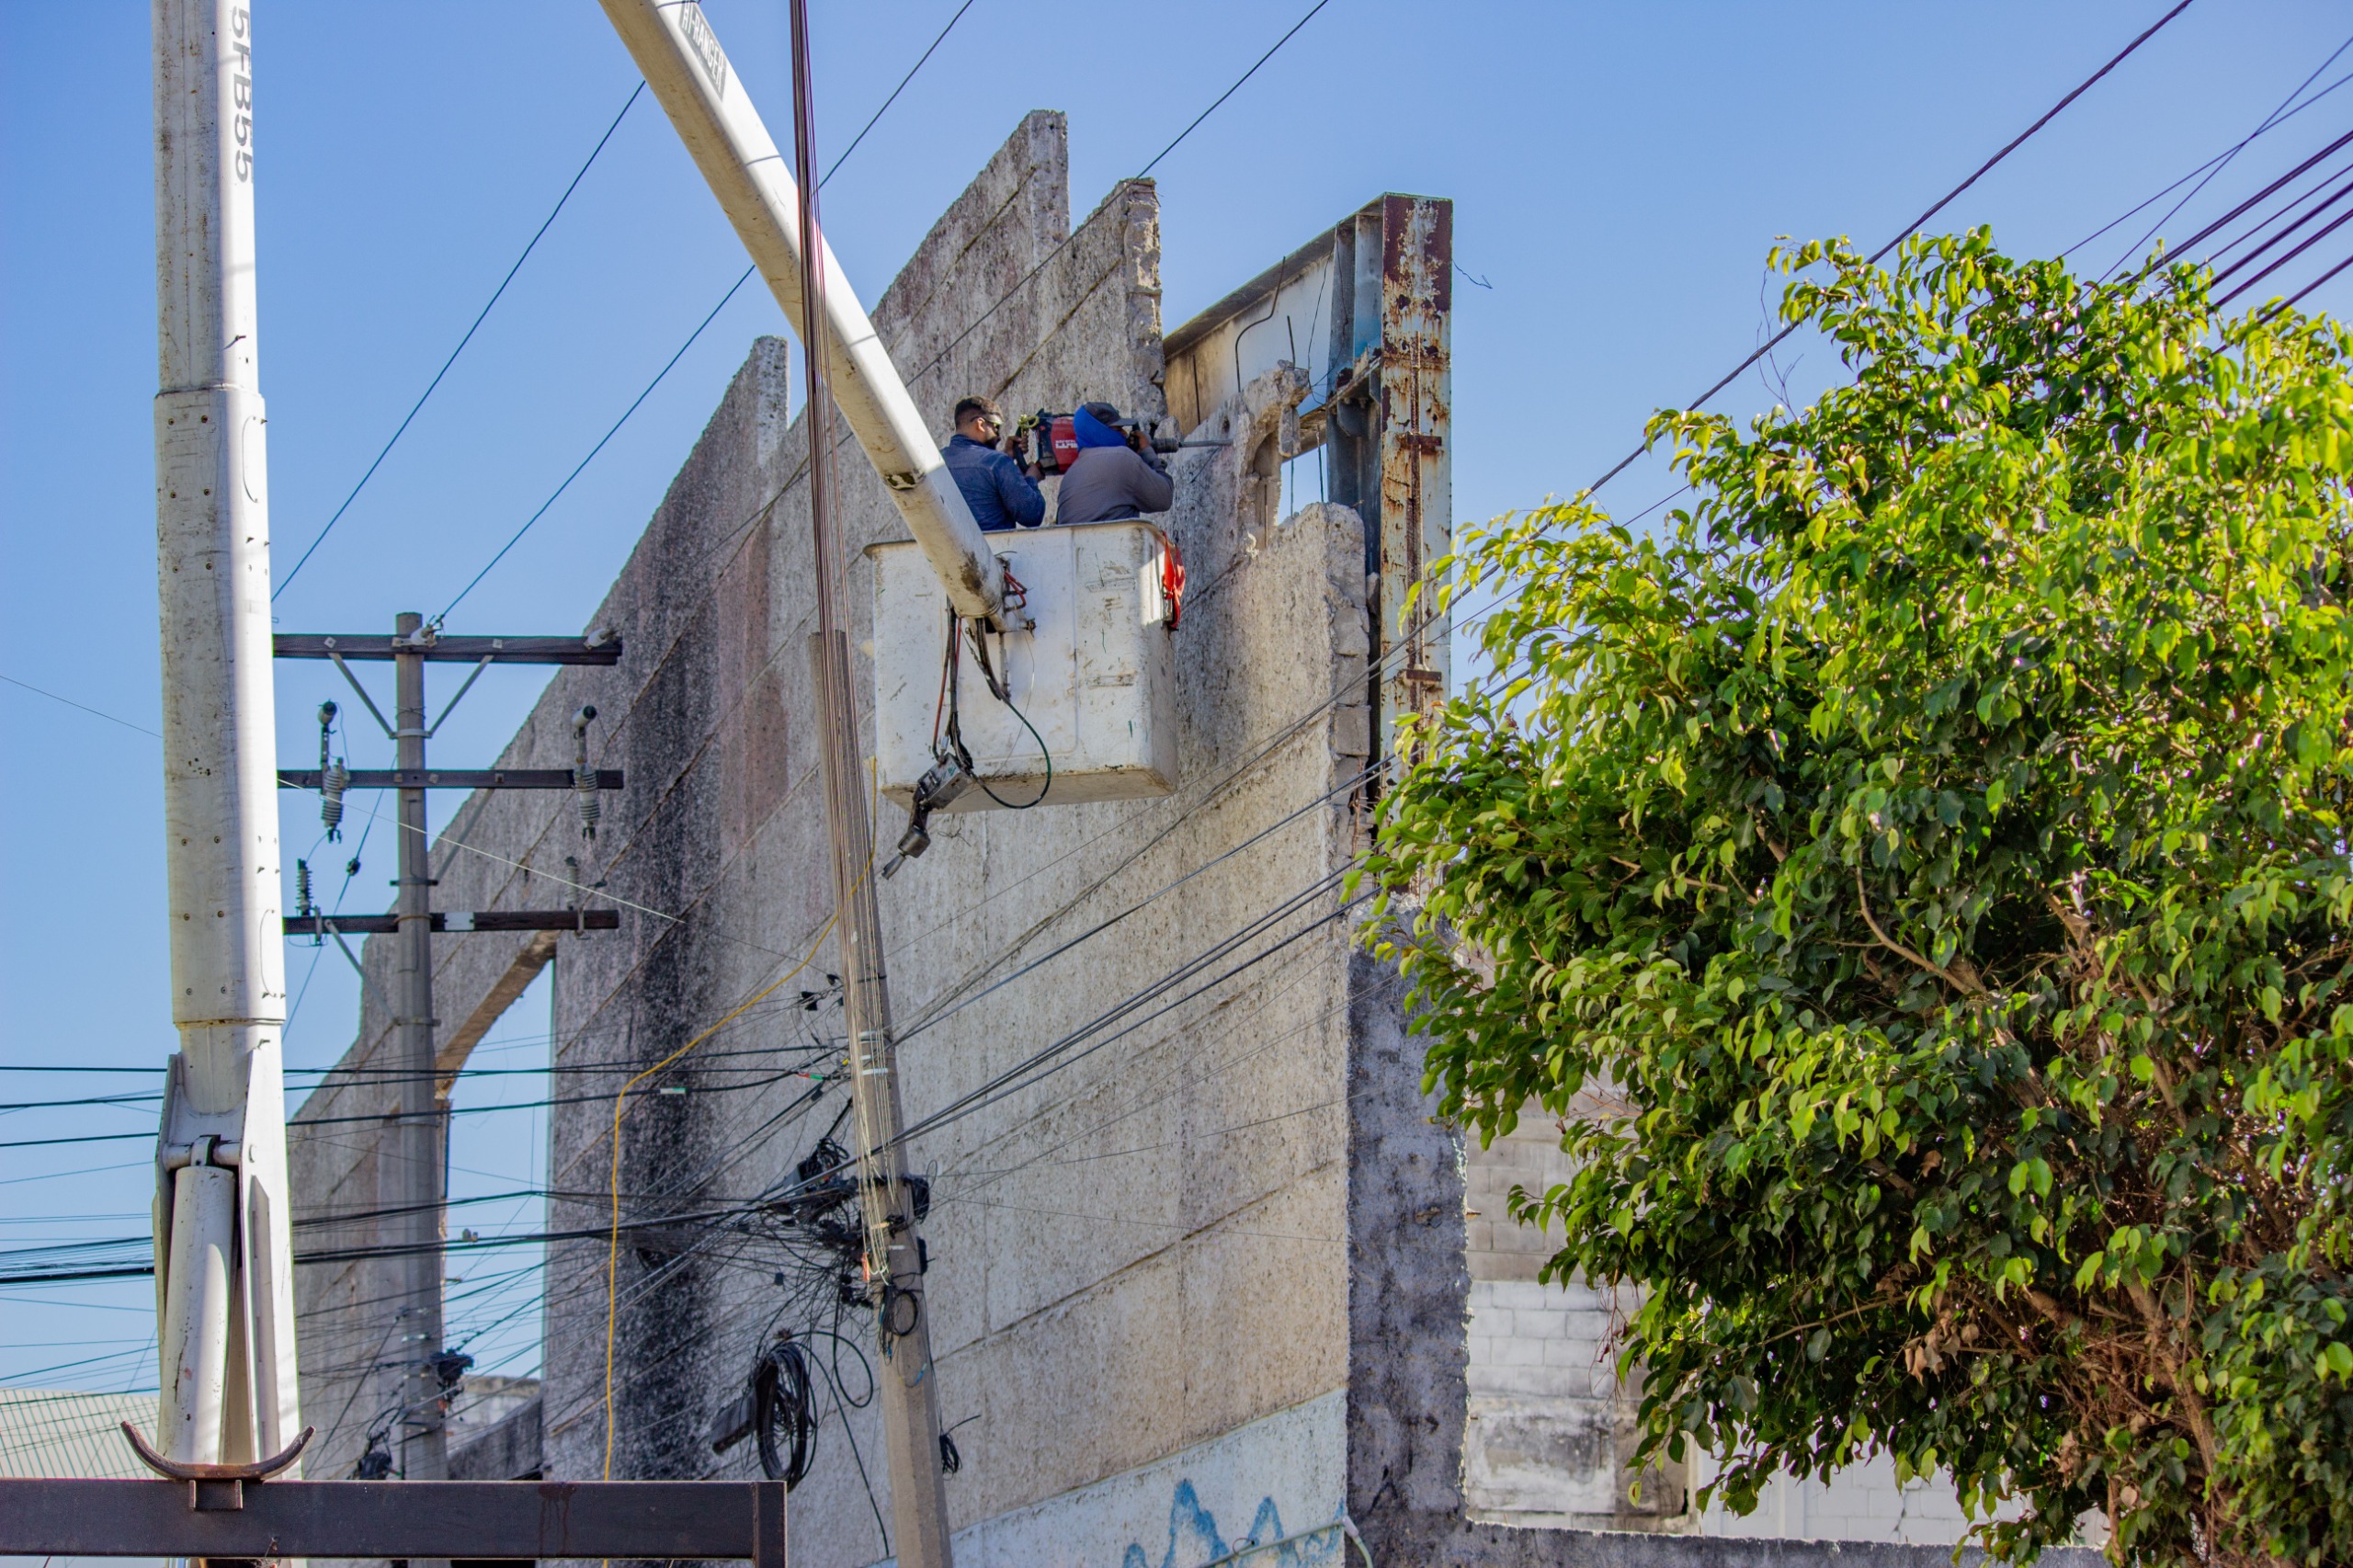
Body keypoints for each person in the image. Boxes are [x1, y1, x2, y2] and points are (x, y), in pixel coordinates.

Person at [1054, 402, 1173, 525]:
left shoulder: (1069, 477)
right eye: (1118, 429)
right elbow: (1165, 497)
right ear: (1099, 431)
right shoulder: (1122, 458)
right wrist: (1147, 452)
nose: (1125, 434)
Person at [940, 395, 1045, 532]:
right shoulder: (998, 463)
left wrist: (1005, 455)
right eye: (996, 427)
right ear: (980, 424)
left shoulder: (935, 461)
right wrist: (1032, 478)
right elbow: (1031, 515)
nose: (999, 436)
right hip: (992, 551)